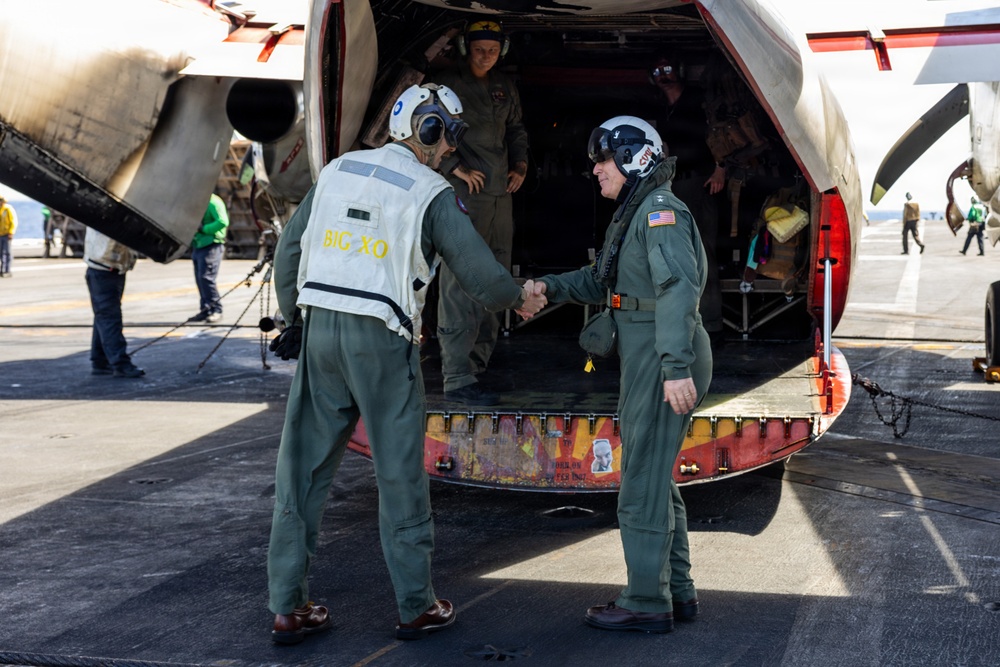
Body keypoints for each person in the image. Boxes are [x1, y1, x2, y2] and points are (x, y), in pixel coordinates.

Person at [265, 83, 546, 645]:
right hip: (382, 342)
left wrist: (293, 320)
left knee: (300, 473)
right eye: (449, 137)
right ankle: (416, 605)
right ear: (431, 130)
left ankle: (288, 607)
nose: (449, 151)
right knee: (399, 478)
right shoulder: (430, 192)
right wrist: (520, 297)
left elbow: (289, 252)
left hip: (321, 333)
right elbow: (479, 272)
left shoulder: (339, 171)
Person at [530, 116, 712, 634]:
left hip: (662, 357)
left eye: (603, 160)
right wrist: (548, 287)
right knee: (656, 479)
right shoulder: (634, 215)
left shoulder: (659, 212)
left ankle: (645, 603)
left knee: (639, 484)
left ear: (634, 159)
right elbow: (601, 280)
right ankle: (676, 592)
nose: (595, 171)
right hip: (649, 357)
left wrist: (675, 369)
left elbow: (678, 288)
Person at [429, 20, 530, 405]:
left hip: (500, 195)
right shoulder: (445, 84)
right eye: (478, 49)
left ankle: (479, 366)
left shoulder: (504, 85)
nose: (485, 56)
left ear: (501, 50)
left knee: (497, 275)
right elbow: (425, 131)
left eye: (492, 50)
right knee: (460, 283)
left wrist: (519, 166)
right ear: (466, 49)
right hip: (464, 195)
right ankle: (457, 373)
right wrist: (453, 169)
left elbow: (517, 129)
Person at [650, 54, 724, 339]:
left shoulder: (698, 101)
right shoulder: (661, 106)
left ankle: (711, 325)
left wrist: (720, 170)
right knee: (672, 253)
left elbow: (719, 134)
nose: (663, 75)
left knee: (703, 253)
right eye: (657, 71)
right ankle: (683, 323)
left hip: (700, 183)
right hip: (673, 186)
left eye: (667, 69)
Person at [83, 228, 144, 378]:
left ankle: (100, 361)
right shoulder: (109, 218)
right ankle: (120, 363)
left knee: (103, 317)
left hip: (107, 268)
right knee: (110, 318)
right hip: (105, 269)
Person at [188, 189, 230, 323]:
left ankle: (216, 310)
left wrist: (203, 229)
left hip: (211, 244)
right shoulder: (198, 203)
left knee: (207, 278)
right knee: (200, 279)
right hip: (198, 245)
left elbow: (223, 221)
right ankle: (205, 310)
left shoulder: (213, 202)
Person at [0, 194, 17, 277]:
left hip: (6, 234)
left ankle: (7, 270)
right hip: (0, 234)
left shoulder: (8, 209)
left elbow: (13, 221)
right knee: (0, 254)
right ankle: (2, 270)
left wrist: (11, 232)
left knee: (7, 253)